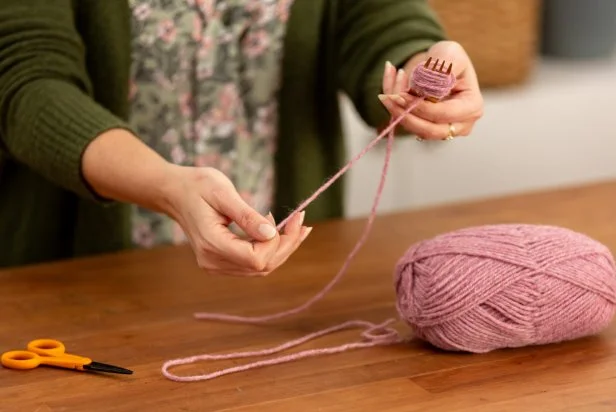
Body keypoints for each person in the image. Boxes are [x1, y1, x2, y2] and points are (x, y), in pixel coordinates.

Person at [0, 0, 483, 274]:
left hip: (282, 275)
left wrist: (423, 70)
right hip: (78, 275)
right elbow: (25, 77)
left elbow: (379, 19)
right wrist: (169, 189)